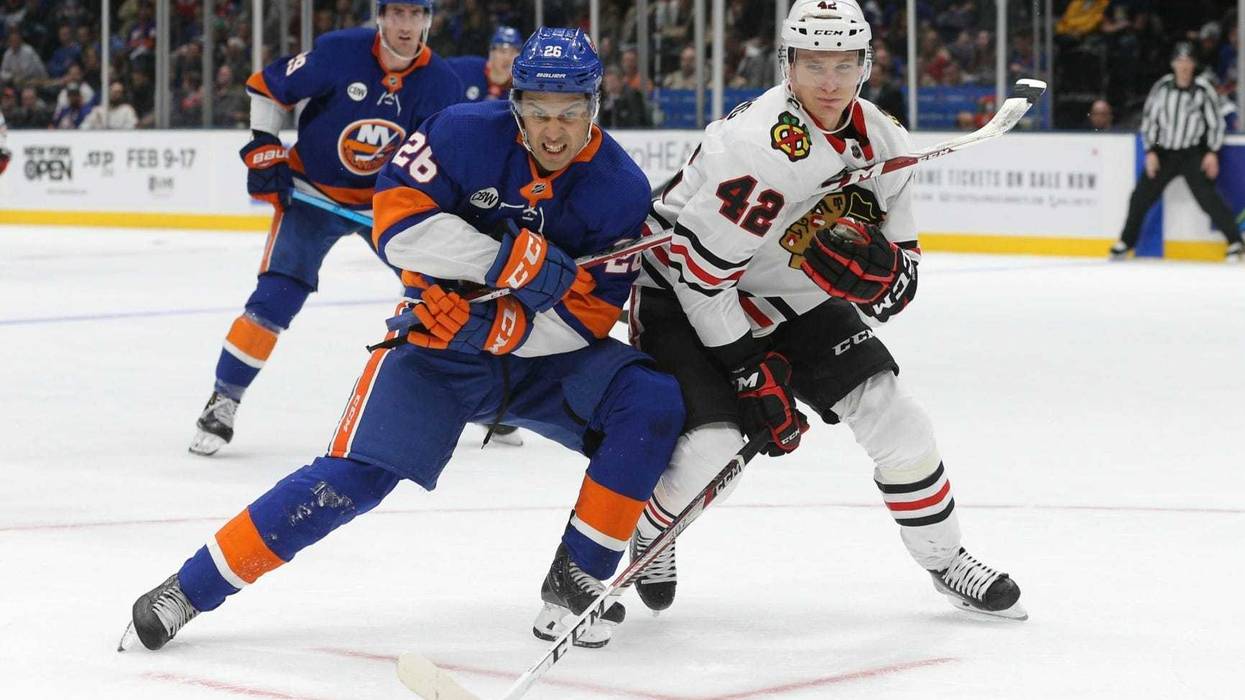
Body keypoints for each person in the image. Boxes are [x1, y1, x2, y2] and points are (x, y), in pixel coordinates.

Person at [121, 27, 682, 654]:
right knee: (349, 480)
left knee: (653, 403)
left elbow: (589, 316)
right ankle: (187, 589)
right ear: (516, 103)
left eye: (571, 114)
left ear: (595, 106)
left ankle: (578, 576)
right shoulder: (461, 131)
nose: (554, 131)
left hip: (539, 361)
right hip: (435, 349)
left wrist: (498, 325)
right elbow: (396, 226)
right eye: (539, 112)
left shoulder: (620, 187)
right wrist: (509, 262)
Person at [626, 0, 1026, 621]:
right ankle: (651, 536)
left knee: (898, 419)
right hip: (681, 291)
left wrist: (888, 280)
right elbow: (703, 281)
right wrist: (748, 372)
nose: (830, 81)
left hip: (788, 296)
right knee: (714, 449)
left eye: (845, 63)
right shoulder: (756, 146)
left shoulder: (885, 139)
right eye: (814, 63)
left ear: (866, 63)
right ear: (788, 63)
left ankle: (946, 560)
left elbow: (904, 264)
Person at [188, 0, 466, 456]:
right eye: (395, 13)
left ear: (428, 21)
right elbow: (268, 88)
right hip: (311, 193)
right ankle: (224, 399)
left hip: (386, 205)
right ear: (380, 17)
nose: (404, 25)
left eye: (415, 15)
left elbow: (450, 160)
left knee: (443, 298)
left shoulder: (443, 85)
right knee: (276, 297)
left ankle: (477, 397)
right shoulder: (339, 52)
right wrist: (265, 143)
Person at [1109, 42, 1242, 263]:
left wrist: (1211, 152)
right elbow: (1150, 120)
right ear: (1173, 64)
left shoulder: (1202, 89)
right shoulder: (1162, 88)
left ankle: (1235, 242)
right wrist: (1151, 151)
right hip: (1164, 154)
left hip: (1192, 154)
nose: (1184, 66)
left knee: (1208, 199)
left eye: (1188, 61)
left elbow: (1215, 123)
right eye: (1180, 61)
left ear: (1194, 64)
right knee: (1140, 197)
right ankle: (1125, 241)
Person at [445, 24, 522, 102]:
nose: (507, 58)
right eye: (502, 51)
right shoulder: (466, 67)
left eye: (513, 52)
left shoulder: (521, 88)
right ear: (491, 53)